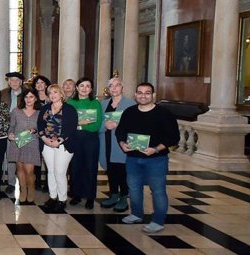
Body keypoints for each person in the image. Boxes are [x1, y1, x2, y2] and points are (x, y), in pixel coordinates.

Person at [117, 82, 179, 234]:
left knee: (157, 190)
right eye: (140, 92)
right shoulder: (129, 112)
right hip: (132, 158)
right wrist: (123, 144)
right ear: (135, 95)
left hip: (156, 159)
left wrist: (156, 149)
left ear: (153, 95)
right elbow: (121, 131)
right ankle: (136, 214)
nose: (143, 95)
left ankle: (158, 220)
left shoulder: (164, 113)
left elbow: (173, 137)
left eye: (147, 93)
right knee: (134, 188)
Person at [37, 84, 77, 212]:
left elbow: (71, 127)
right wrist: (44, 139)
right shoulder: (45, 108)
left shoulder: (69, 109)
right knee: (51, 171)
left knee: (60, 172)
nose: (53, 95)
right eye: (50, 93)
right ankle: (53, 197)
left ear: (61, 94)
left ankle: (62, 199)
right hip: (47, 143)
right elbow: (40, 125)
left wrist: (59, 141)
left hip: (63, 145)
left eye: (55, 92)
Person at [99, 78, 135, 212]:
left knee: (122, 170)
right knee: (110, 169)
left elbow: (134, 124)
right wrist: (105, 126)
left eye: (117, 85)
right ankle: (113, 194)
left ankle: (124, 197)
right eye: (111, 86)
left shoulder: (130, 104)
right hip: (106, 142)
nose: (114, 88)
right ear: (108, 89)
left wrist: (120, 125)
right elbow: (96, 123)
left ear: (122, 88)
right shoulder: (102, 104)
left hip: (121, 143)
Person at [66, 77, 103, 209]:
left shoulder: (95, 104)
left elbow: (96, 125)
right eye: (82, 85)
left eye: (88, 86)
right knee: (75, 168)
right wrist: (82, 123)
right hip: (74, 140)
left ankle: (90, 197)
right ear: (77, 87)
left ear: (91, 89)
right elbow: (67, 123)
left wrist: (78, 125)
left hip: (90, 140)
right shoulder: (70, 102)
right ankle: (76, 195)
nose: (84, 88)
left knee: (90, 168)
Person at [8, 86, 41, 205]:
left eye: (31, 97)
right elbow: (11, 126)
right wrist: (10, 134)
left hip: (32, 143)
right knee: (20, 168)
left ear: (36, 98)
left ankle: (31, 189)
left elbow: (42, 128)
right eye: (26, 97)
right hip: (18, 142)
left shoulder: (39, 112)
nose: (28, 99)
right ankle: (23, 191)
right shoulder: (16, 111)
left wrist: (35, 130)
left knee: (29, 171)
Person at [1, 72, 25, 194]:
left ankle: (23, 183)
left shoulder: (27, 93)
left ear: (21, 82)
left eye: (17, 80)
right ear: (9, 82)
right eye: (12, 80)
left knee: (22, 157)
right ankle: (11, 182)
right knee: (10, 156)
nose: (14, 82)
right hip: (7, 129)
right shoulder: (3, 93)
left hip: (22, 129)